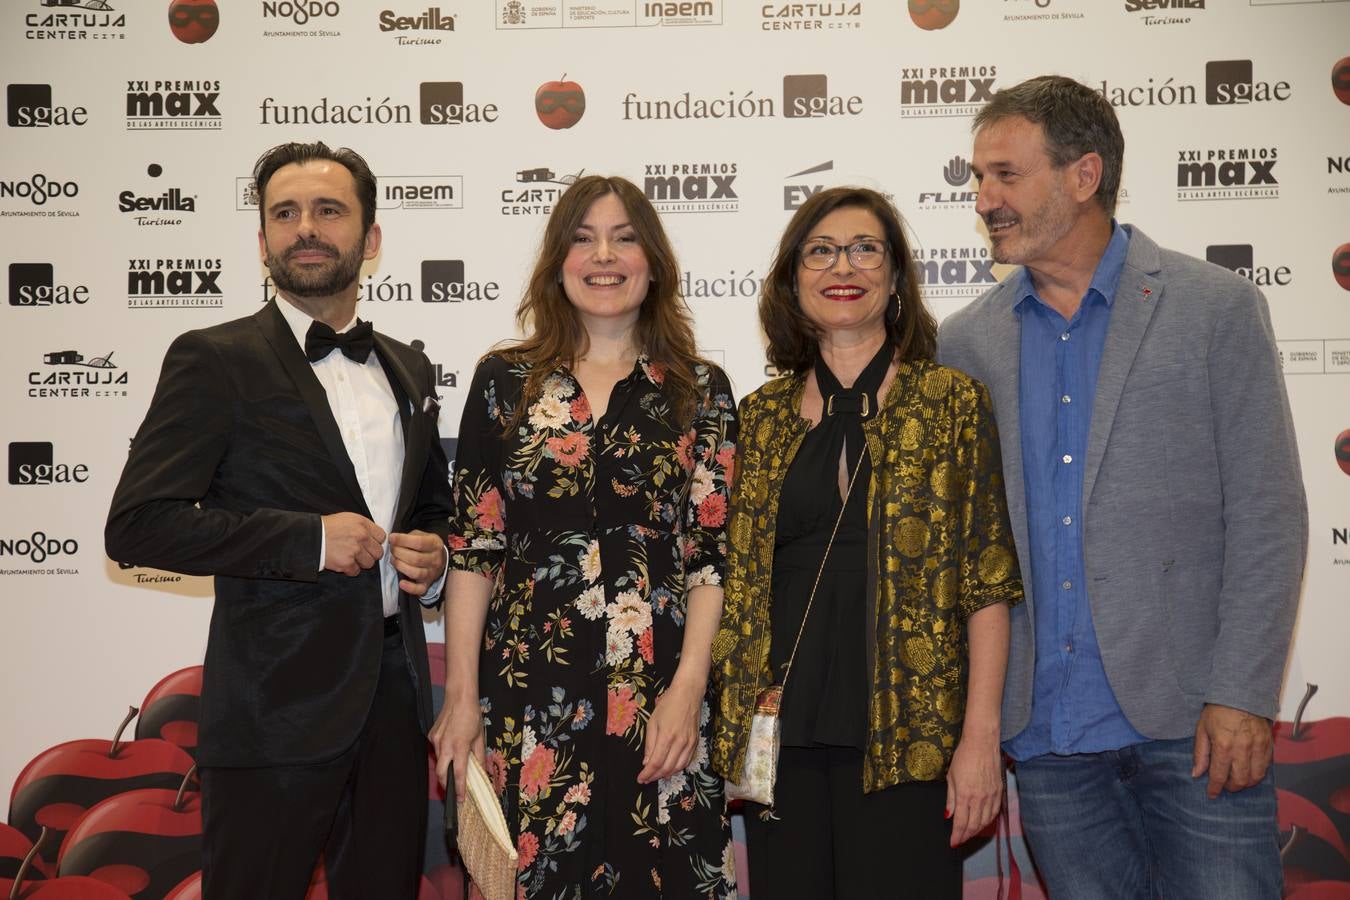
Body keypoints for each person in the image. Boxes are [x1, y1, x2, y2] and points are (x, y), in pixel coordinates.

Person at [937, 75, 1308, 898]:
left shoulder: (1215, 309)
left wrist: (1243, 694)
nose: (984, 198)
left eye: (1005, 174)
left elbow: (1268, 514)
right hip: (1048, 740)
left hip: (1196, 727)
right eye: (978, 178)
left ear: (1083, 174)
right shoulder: (964, 345)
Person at [105, 141, 453, 900]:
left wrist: (437, 555)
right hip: (271, 712)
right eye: (285, 214)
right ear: (262, 242)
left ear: (372, 238)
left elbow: (431, 510)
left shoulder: (409, 368)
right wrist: (308, 540)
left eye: (329, 211)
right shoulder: (213, 359)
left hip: (394, 707)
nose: (307, 228)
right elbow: (137, 526)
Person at [431, 175, 738, 898]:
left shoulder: (700, 389)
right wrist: (462, 697)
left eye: (625, 238)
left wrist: (688, 689)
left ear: (654, 261)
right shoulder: (502, 383)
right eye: (583, 237)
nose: (604, 255)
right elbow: (475, 547)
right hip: (532, 693)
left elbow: (710, 558)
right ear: (557, 261)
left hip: (662, 694)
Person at [710, 186, 1022, 898]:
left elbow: (987, 581)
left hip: (912, 737)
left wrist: (979, 739)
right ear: (793, 279)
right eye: (819, 251)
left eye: (864, 248)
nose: (841, 267)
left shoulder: (953, 403)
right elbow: (736, 581)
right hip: (779, 736)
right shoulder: (758, 418)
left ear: (895, 275)